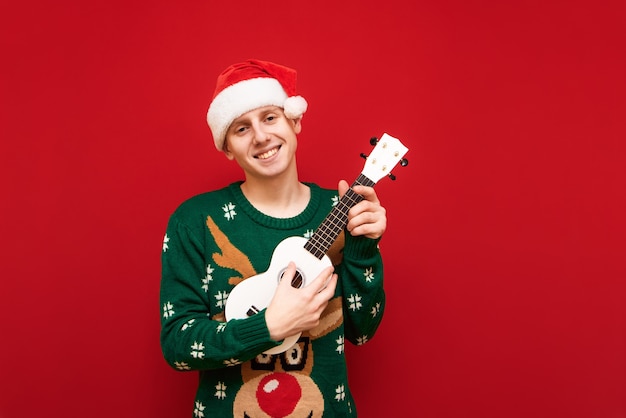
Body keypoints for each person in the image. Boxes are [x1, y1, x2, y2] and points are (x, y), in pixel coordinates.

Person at [160, 59, 387, 417]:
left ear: (294, 121)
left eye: (270, 117)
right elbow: (178, 345)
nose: (261, 136)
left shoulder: (337, 210)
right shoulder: (195, 221)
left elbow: (361, 331)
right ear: (227, 148)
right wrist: (267, 327)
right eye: (241, 128)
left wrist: (364, 245)